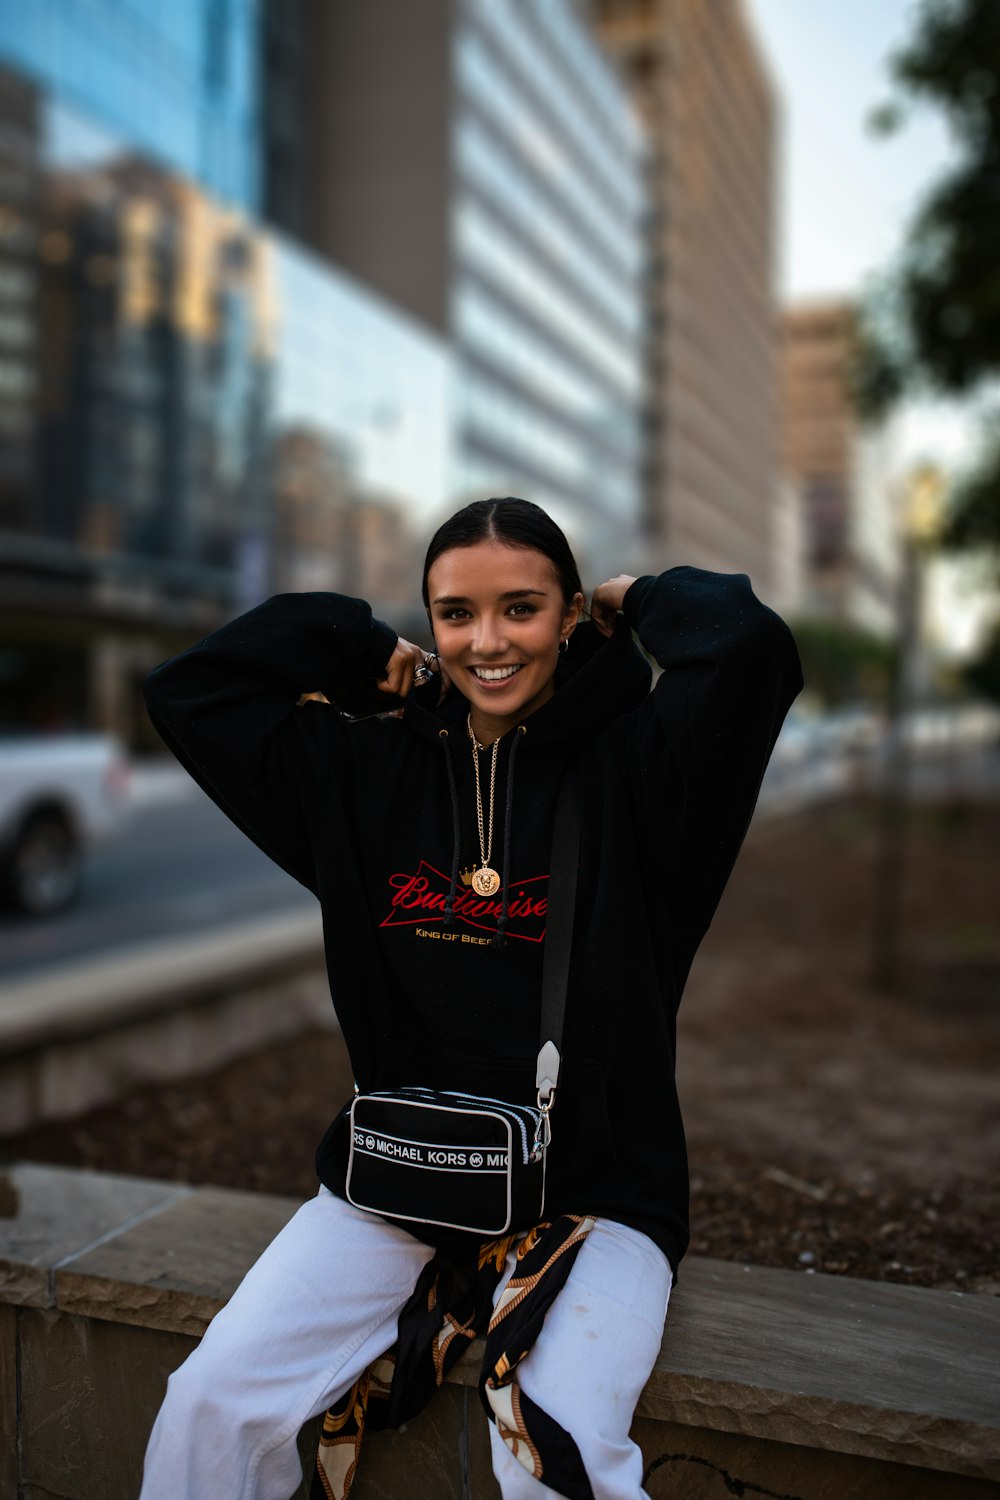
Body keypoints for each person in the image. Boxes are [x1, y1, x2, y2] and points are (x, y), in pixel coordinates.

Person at [138, 496, 803, 1500]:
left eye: (521, 609)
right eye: (456, 614)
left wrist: (637, 597)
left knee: (552, 1447)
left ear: (570, 614)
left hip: (597, 1194)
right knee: (208, 1406)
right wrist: (358, 644)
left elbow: (747, 651)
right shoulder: (365, 771)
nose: (486, 642)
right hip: (399, 1179)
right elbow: (193, 692)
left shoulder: (647, 774)